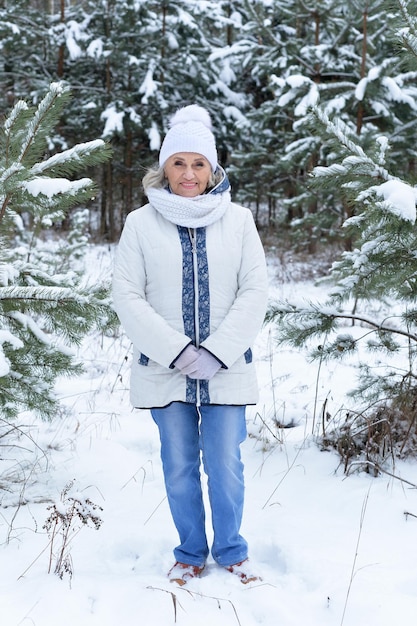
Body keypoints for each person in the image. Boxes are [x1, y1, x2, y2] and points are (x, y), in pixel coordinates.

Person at [112, 104, 268, 586]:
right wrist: (177, 351)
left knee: (225, 465)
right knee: (178, 466)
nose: (188, 173)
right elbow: (126, 295)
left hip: (226, 369)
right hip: (164, 368)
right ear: (163, 168)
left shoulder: (239, 221)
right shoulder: (140, 224)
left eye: (198, 164)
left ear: (212, 169)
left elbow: (255, 290)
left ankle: (232, 550)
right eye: (178, 163)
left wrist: (217, 351)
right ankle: (190, 553)